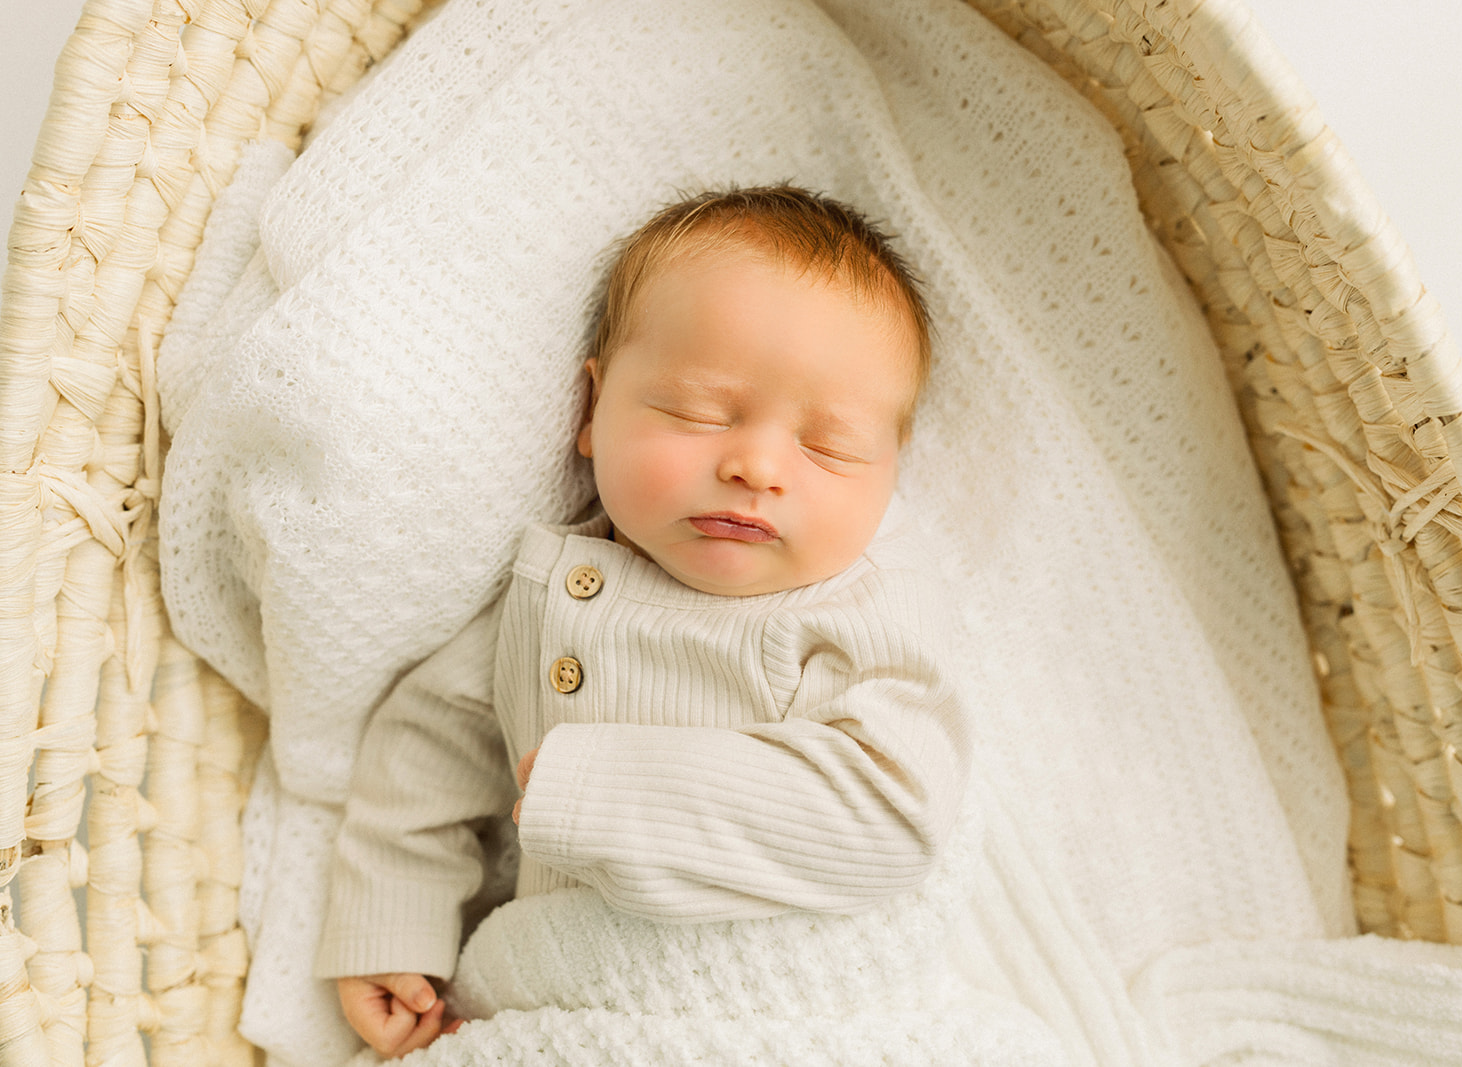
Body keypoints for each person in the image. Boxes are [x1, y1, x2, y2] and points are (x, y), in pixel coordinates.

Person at [313, 186, 973, 1058]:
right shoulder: (555, 594)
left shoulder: (857, 609)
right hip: (569, 996)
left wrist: (603, 793)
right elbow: (427, 749)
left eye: (829, 446)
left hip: (789, 998)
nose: (756, 465)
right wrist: (392, 927)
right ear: (590, 413)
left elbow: (892, 809)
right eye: (700, 412)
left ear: (890, 471)